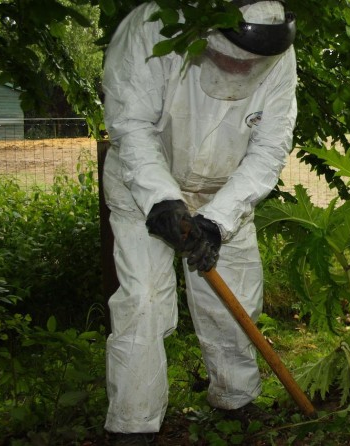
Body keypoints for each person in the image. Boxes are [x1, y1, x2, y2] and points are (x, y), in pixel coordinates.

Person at [101, 1, 297, 444]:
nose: (238, 68)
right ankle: (133, 427)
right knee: (143, 303)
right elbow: (131, 125)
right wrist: (162, 199)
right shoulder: (153, 26)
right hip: (143, 188)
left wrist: (216, 221)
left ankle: (236, 400)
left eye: (250, 64)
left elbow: (269, 147)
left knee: (234, 303)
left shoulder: (277, 49)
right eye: (229, 56)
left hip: (224, 193)